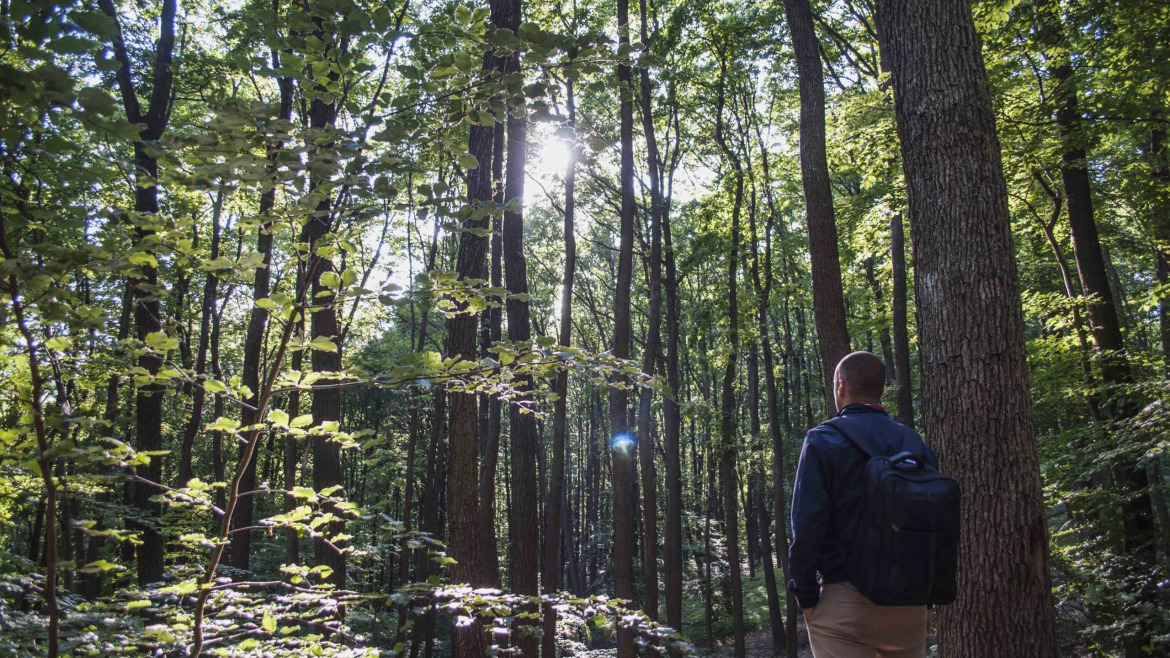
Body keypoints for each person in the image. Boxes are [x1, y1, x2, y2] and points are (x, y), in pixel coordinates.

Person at [788, 351, 936, 658]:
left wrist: (806, 597)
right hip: (909, 602)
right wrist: (927, 600)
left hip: (845, 603)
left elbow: (807, 526)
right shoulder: (914, 444)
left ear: (840, 387)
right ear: (882, 390)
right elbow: (933, 527)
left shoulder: (822, 440)